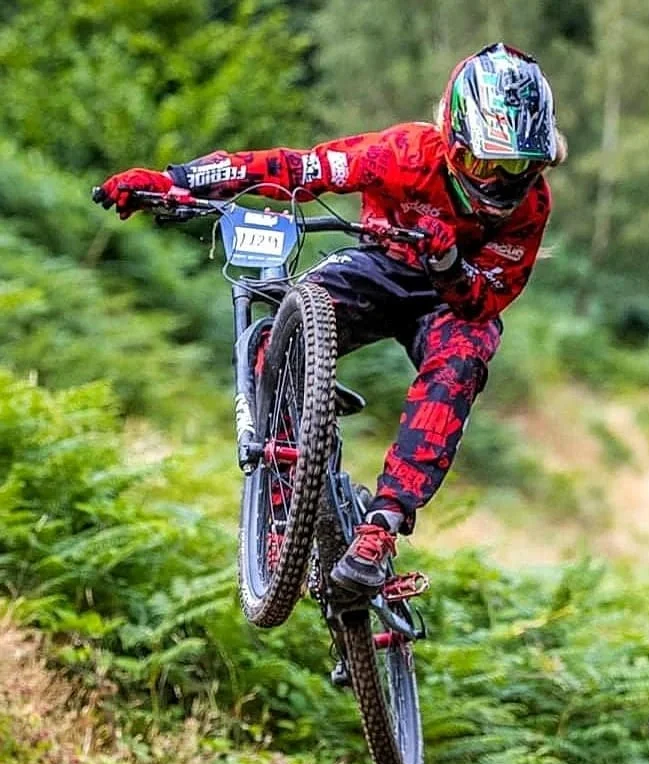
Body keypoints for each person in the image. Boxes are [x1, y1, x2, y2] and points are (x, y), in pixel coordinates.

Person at [95, 42, 565, 596]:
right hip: (379, 264)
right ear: (453, 139)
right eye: (485, 161)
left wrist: (448, 264)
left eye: (516, 167)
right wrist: (179, 181)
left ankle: (382, 526)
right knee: (280, 333)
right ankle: (282, 507)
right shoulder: (404, 153)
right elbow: (298, 170)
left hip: (450, 296)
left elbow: (483, 305)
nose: (497, 181)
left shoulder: (531, 207)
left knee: (463, 357)